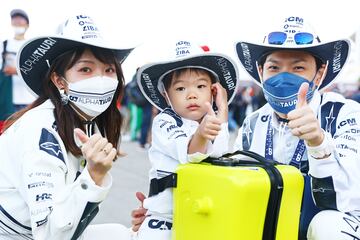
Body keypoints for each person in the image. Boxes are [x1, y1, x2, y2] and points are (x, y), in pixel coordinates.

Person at [0, 14, 134, 239]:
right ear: (59, 81)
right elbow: (51, 234)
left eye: (109, 70)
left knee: (129, 233)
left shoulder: (83, 122)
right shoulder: (39, 131)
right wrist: (93, 176)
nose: (101, 79)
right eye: (86, 70)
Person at [234, 16, 360, 239]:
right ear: (261, 71)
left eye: (298, 67)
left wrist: (318, 144)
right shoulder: (252, 124)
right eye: (274, 67)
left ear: (319, 74)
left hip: (326, 226)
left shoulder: (344, 114)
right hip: (271, 226)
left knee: (328, 225)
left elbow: (347, 200)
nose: (284, 77)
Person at [134, 40, 239, 239]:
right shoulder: (164, 121)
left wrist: (222, 109)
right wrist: (201, 133)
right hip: (164, 219)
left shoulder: (212, 121)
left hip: (201, 212)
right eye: (180, 89)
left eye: (200, 86)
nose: (191, 95)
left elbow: (220, 152)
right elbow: (191, 153)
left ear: (213, 91)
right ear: (166, 95)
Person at [3, 9, 36, 112]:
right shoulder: (4, 44)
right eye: (15, 19)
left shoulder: (32, 45)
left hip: (30, 99)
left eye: (20, 19)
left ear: (27, 24)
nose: (17, 21)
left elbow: (37, 70)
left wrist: (16, 71)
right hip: (8, 100)